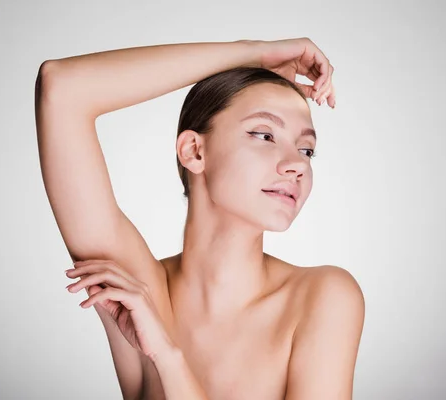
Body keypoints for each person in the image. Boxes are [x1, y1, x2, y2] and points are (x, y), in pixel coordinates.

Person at [34, 38, 365, 400]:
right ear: (194, 151)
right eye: (265, 134)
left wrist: (167, 356)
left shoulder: (322, 298)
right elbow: (62, 87)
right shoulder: (137, 289)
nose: (297, 165)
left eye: (306, 150)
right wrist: (254, 53)